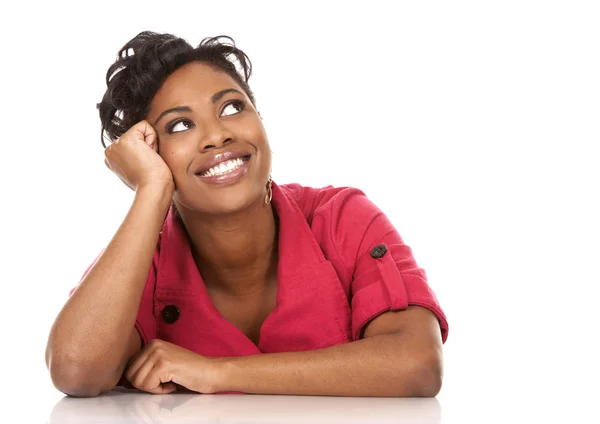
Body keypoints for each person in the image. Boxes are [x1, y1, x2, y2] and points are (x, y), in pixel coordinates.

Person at [45, 31, 449, 398]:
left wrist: (216, 373)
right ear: (149, 154)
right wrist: (151, 191)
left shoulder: (341, 218)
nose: (218, 134)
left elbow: (417, 365)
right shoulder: (144, 256)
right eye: (181, 125)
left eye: (232, 107)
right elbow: (76, 370)